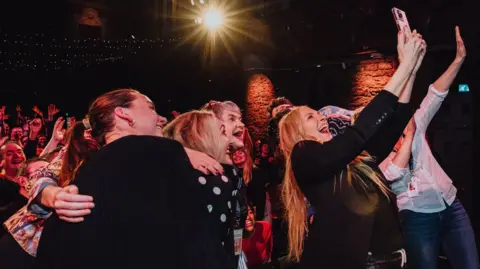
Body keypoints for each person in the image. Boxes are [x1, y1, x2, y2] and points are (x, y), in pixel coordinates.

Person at [35, 89, 232, 269]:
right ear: (124, 114)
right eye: (150, 108)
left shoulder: (85, 171)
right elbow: (196, 239)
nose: (160, 117)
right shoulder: (165, 154)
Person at [278, 31, 426, 269]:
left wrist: (411, 70)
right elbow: (359, 132)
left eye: (317, 113)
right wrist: (404, 67)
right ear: (296, 132)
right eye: (310, 116)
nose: (320, 117)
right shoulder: (304, 155)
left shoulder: (352, 159)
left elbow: (394, 124)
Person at [379, 26, 478, 269]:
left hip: (451, 205)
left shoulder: (414, 123)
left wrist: (458, 60)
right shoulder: (379, 148)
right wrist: (407, 138)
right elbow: (394, 177)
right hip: (418, 218)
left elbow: (436, 93)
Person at [164, 110, 246, 268]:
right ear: (201, 137)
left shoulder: (178, 174)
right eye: (222, 133)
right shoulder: (214, 181)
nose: (229, 139)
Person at [242, 203, 273, 268]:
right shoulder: (235, 236)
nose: (248, 217)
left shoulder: (265, 227)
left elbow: (269, 251)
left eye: (250, 212)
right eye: (243, 214)